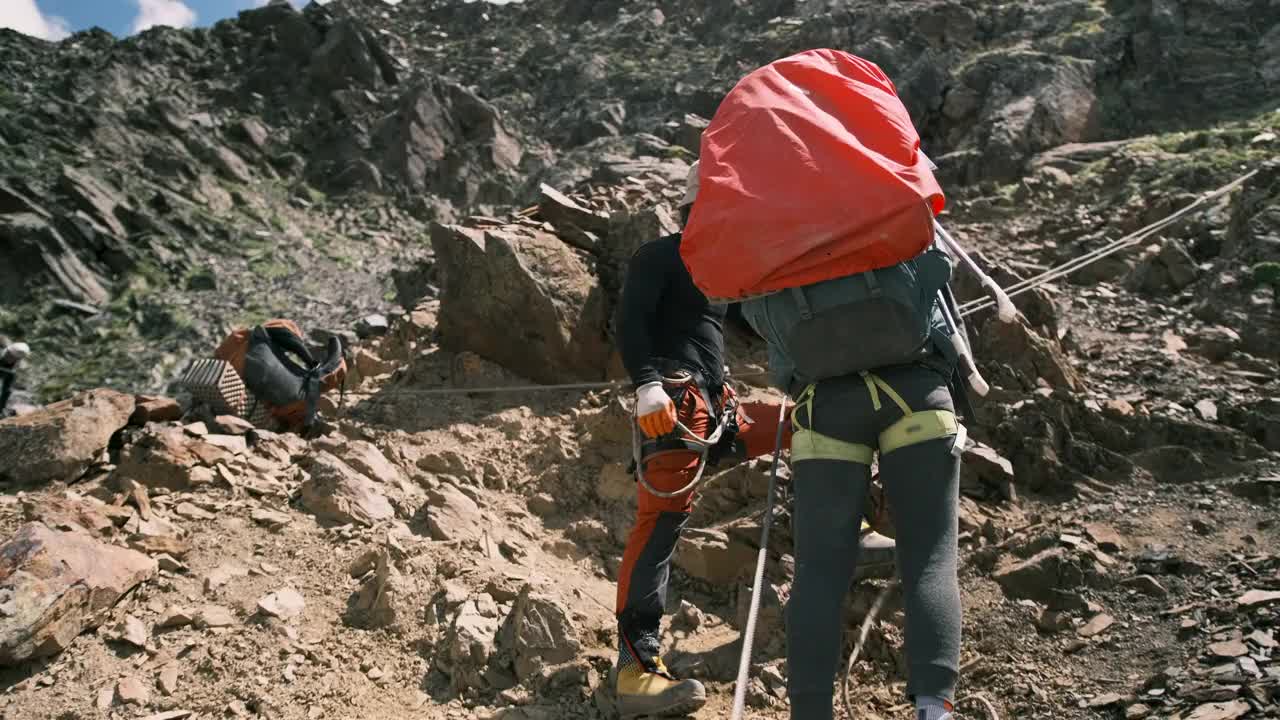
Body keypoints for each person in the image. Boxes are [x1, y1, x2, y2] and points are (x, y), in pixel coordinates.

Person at [612, 163, 897, 718]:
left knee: (818, 419)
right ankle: (635, 672)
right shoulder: (659, 257)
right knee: (660, 524)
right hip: (675, 408)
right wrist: (647, 385)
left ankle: (850, 532)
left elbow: (757, 322)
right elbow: (632, 323)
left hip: (720, 408)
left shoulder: (723, 269)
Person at [0, 342, 30, 416]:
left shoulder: (13, 369)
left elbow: (6, 390)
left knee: (8, 391)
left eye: (11, 357)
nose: (8, 357)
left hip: (5, 372)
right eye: (8, 354)